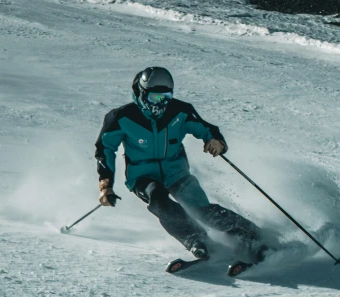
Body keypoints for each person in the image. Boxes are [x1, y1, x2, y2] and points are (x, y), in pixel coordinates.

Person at [94, 67, 265, 260]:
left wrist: (215, 140)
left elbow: (207, 129)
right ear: (142, 93)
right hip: (142, 176)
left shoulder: (180, 111)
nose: (162, 103)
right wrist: (105, 185)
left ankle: (251, 236)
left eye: (166, 97)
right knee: (159, 201)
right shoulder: (121, 117)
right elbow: (105, 149)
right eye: (155, 98)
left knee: (201, 210)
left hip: (177, 171)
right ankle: (195, 239)